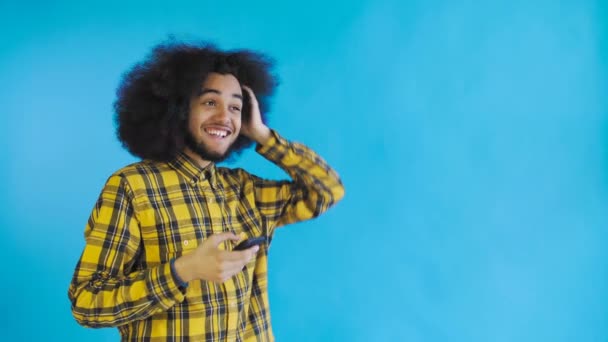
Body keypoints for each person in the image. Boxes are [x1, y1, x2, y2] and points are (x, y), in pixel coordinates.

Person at [68, 40, 345, 341]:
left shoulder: (245, 190)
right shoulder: (133, 187)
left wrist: (263, 136)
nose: (225, 117)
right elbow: (87, 303)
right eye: (210, 102)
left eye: (236, 107)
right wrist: (183, 271)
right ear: (177, 108)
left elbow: (327, 190)